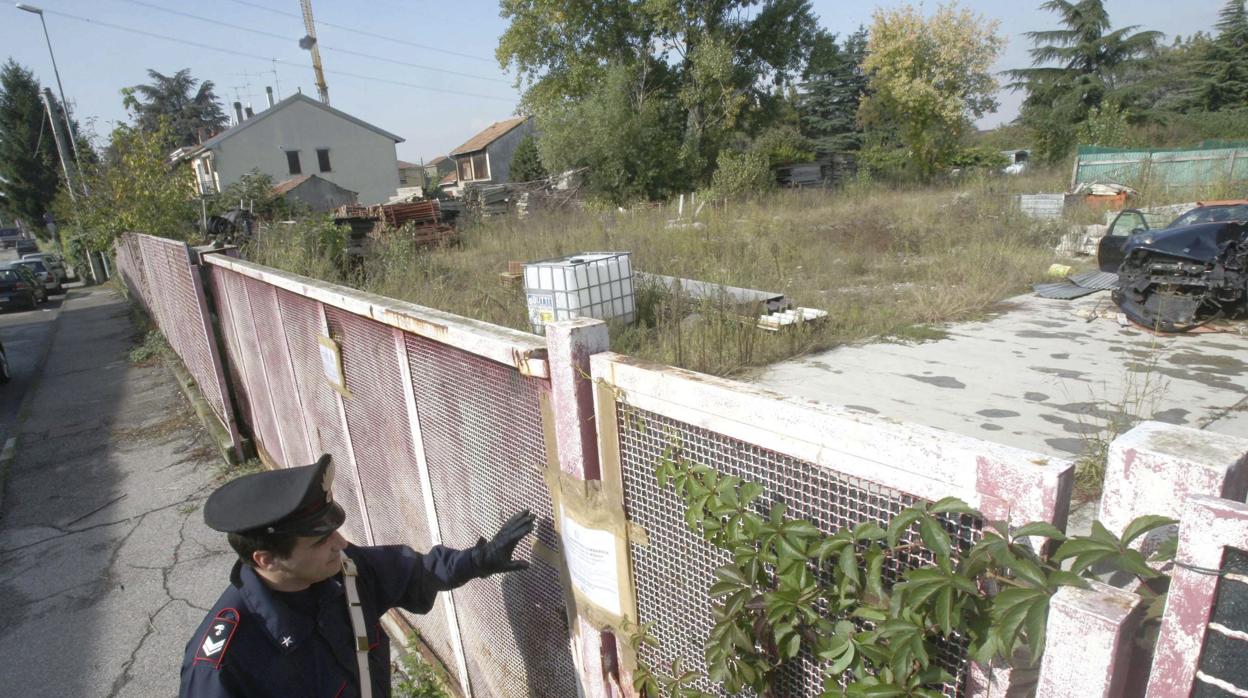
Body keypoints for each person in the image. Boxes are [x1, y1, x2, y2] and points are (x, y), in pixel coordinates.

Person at [180, 454, 535, 697]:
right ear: (268, 559)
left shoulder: (341, 572)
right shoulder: (223, 663)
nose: (341, 543)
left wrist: (479, 560)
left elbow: (416, 572)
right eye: (321, 540)